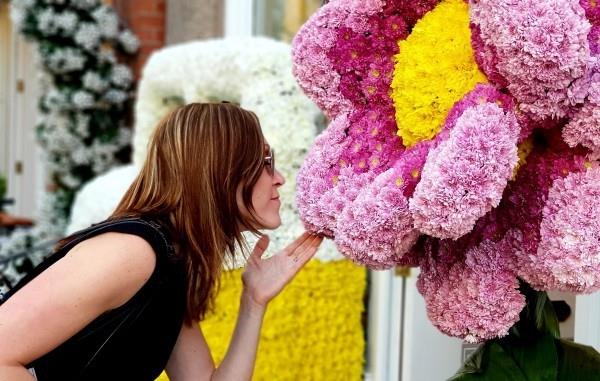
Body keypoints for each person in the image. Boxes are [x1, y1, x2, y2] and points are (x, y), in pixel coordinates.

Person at [0, 102, 323, 380]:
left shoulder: (171, 262)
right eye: (265, 163)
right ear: (221, 171)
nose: (278, 177)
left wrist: (253, 302)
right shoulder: (131, 254)